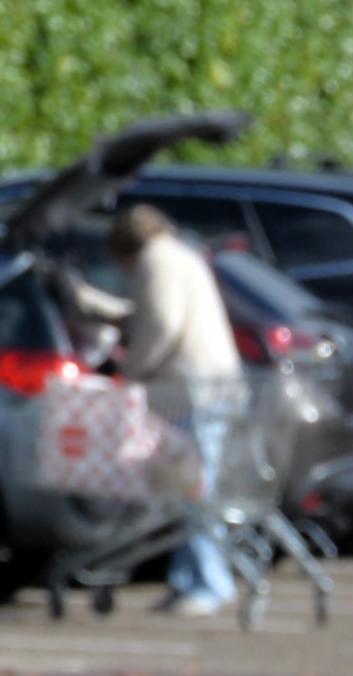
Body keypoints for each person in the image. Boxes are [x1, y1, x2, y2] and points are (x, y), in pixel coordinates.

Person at [95, 202, 244, 616]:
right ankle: (189, 579)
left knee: (193, 488)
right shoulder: (181, 255)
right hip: (215, 383)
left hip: (190, 389)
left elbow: (161, 323)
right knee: (190, 486)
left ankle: (210, 583)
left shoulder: (154, 263)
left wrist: (132, 371)